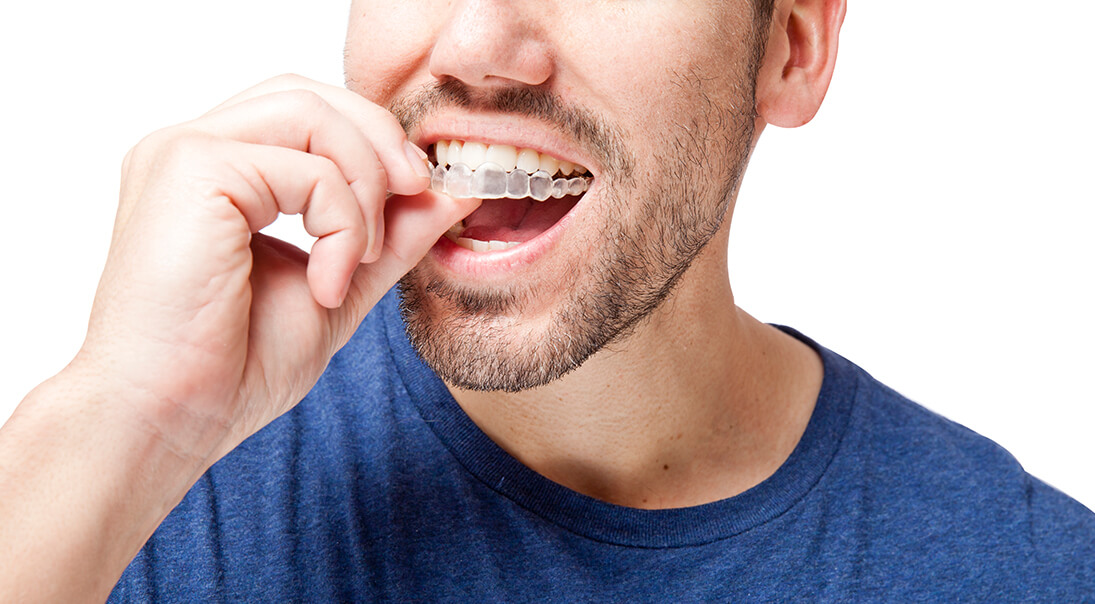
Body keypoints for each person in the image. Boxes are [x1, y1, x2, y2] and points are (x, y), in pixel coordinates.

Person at [1, 0, 1092, 601]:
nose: (478, 46)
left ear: (792, 49)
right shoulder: (134, 502)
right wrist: (123, 416)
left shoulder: (1038, 574)